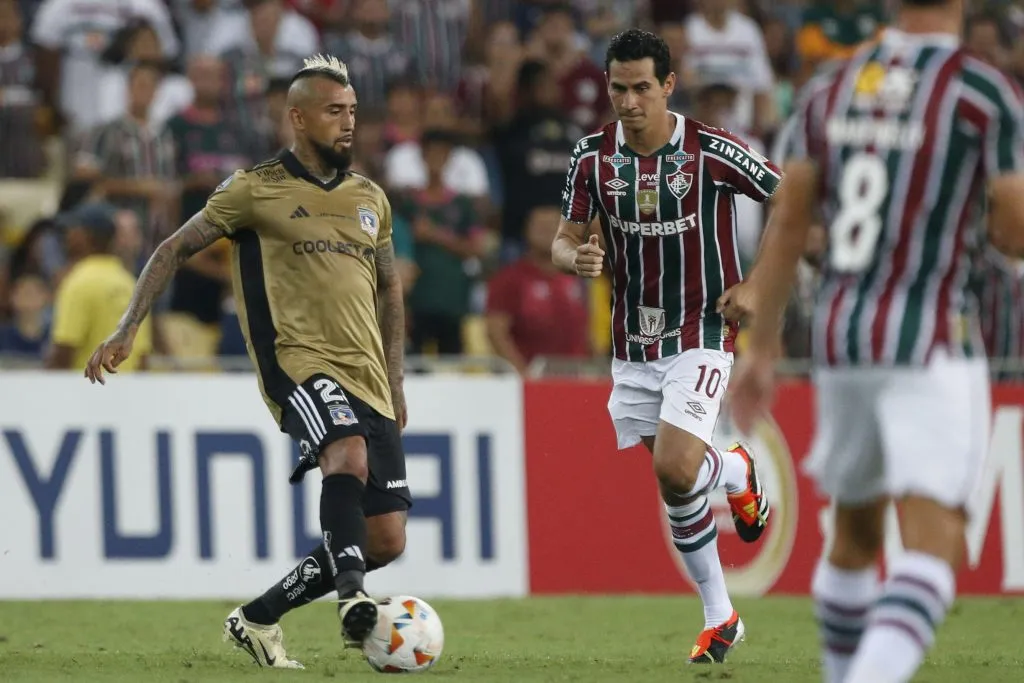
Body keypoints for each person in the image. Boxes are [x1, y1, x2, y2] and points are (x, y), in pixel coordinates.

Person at [721, 1, 1024, 682]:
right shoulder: (980, 91)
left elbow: (790, 218)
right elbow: (1012, 229)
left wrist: (762, 347)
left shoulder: (828, 87)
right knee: (936, 542)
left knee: (855, 533)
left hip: (842, 334)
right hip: (929, 335)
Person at [83, 55, 410, 669]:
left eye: (353, 112)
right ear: (298, 117)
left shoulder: (371, 197)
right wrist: (129, 327)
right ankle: (352, 600)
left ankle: (258, 618)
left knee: (385, 538)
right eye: (334, 111)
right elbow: (173, 247)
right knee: (347, 454)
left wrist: (394, 378)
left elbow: (389, 288)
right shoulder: (254, 188)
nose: (348, 124)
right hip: (298, 364)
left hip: (369, 375)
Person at [551, 29, 777, 664]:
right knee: (680, 485)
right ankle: (734, 483)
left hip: (703, 331)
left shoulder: (712, 149)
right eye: (618, 88)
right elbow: (562, 238)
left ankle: (716, 614)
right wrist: (578, 255)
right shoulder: (591, 157)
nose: (628, 101)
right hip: (633, 342)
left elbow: (789, 201)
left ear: (668, 85)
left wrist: (757, 284)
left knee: (675, 468)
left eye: (641, 88)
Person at [48, 202, 152, 371]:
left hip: (87, 391)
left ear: (86, 235)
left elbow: (64, 350)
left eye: (72, 229)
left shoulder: (79, 281)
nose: (66, 235)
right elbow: (142, 356)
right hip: (125, 392)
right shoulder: (130, 283)